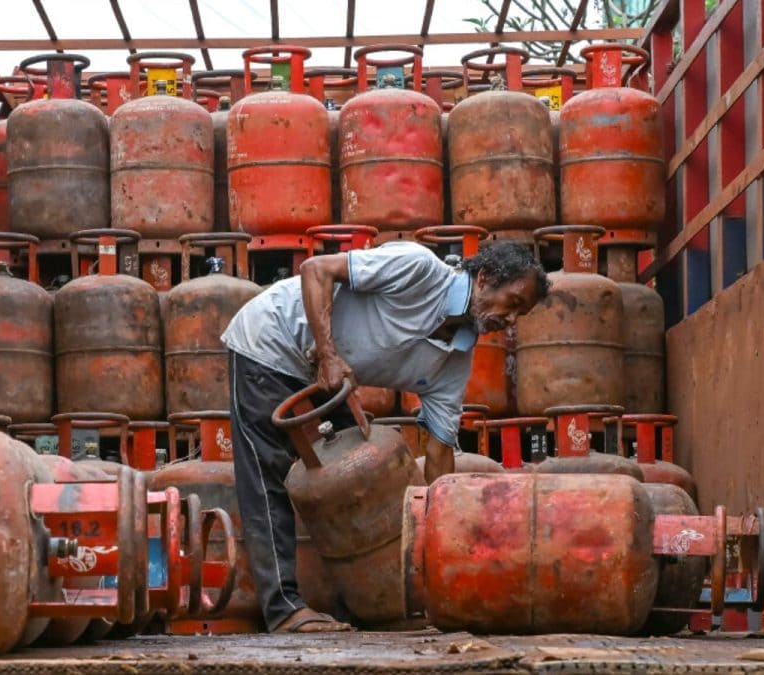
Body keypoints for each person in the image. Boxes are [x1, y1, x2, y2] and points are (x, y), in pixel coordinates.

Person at [220, 240, 549, 633]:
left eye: (521, 314)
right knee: (268, 476)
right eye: (512, 303)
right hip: (272, 340)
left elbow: (441, 453)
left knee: (361, 482)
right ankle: (283, 609)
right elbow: (316, 269)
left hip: (324, 371)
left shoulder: (455, 362)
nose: (511, 321)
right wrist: (327, 355)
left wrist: (440, 535)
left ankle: (363, 606)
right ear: (485, 278)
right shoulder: (419, 269)